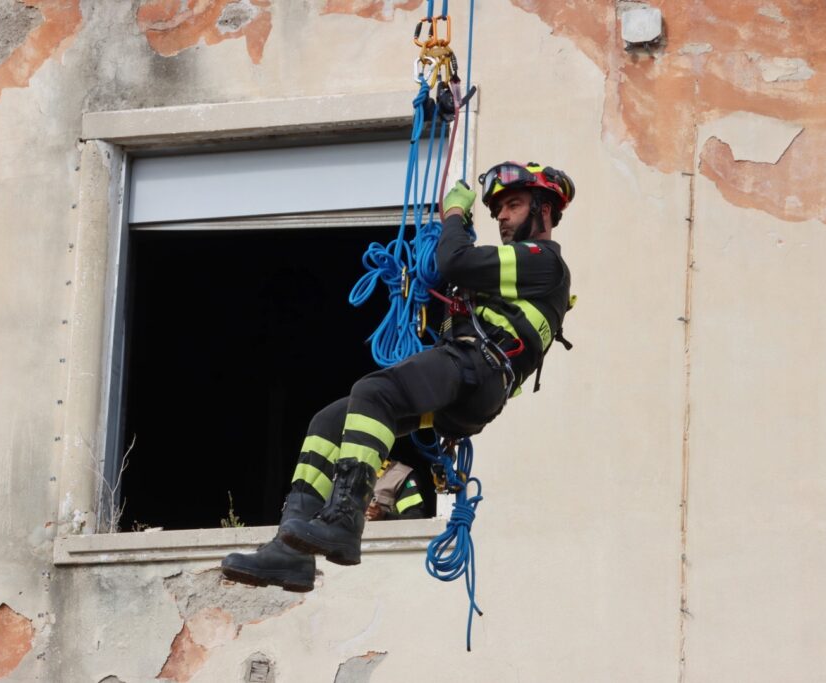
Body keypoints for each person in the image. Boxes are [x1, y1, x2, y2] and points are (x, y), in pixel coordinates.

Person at [220, 161, 575, 592]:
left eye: (513, 204)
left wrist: (454, 214)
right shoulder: (511, 271)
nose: (500, 216)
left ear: (544, 211)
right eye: (497, 209)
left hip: (477, 371)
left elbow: (455, 260)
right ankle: (290, 548)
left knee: (375, 392)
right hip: (466, 375)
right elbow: (452, 278)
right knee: (331, 422)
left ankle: (344, 519)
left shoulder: (543, 263)